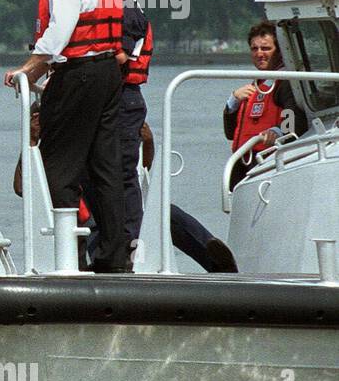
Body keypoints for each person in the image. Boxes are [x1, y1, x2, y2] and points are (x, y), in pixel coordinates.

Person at [4, 0, 130, 272]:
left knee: (58, 166)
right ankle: (113, 257)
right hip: (108, 73)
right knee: (105, 166)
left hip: (79, 74)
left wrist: (28, 69)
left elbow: (61, 29)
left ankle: (66, 258)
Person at [13, 114, 237, 272]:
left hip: (123, 219)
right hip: (89, 230)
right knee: (101, 234)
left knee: (164, 213)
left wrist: (147, 142)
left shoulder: (102, 150)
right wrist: (31, 141)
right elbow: (21, 187)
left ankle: (217, 261)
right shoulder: (51, 156)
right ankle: (104, 269)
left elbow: (140, 171)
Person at [103, 0, 152, 245]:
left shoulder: (127, 9)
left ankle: (130, 237)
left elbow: (119, 56)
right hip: (115, 97)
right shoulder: (113, 8)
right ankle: (112, 233)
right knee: (109, 169)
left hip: (125, 99)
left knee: (123, 169)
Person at [224, 21, 303, 191]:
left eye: (266, 48)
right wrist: (232, 103)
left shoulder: (285, 84)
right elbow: (231, 134)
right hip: (243, 166)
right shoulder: (255, 86)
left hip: (266, 164)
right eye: (255, 49)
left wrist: (278, 132)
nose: (260, 53)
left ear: (280, 50)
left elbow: (295, 119)